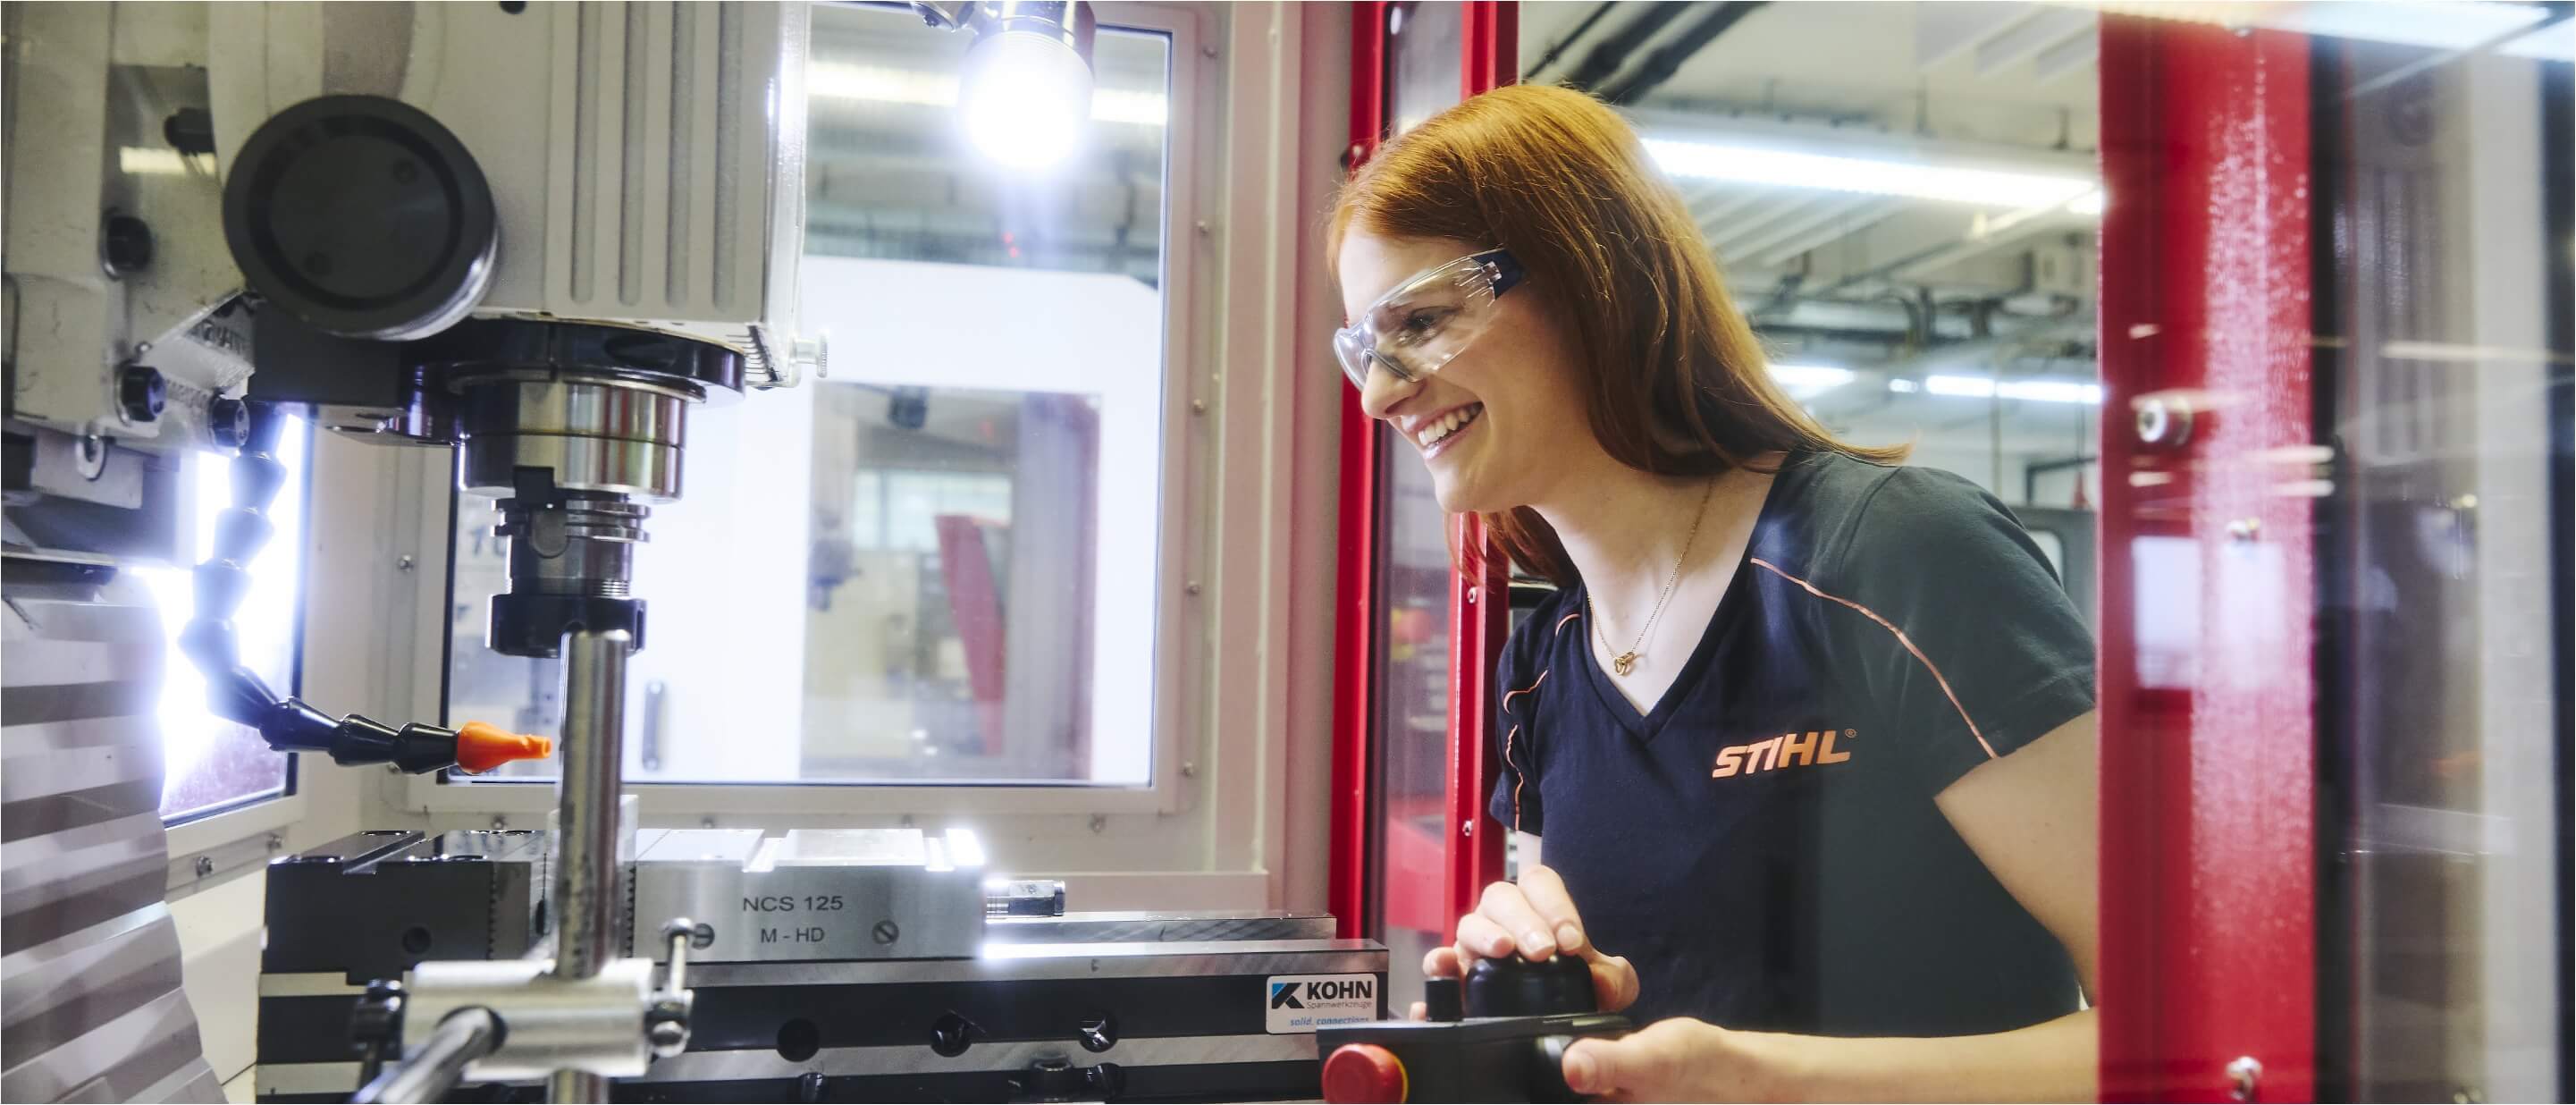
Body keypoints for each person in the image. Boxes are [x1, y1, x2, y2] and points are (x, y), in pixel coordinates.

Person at [1330, 84, 2100, 1101]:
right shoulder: (1542, 669)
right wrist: (1528, 974)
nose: (1379, 392)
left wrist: (1763, 1080)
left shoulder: (1896, 558)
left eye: (1417, 322)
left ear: (1588, 280)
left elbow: (2203, 1035)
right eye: (1361, 350)